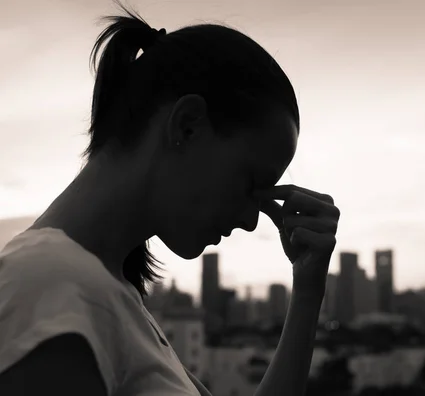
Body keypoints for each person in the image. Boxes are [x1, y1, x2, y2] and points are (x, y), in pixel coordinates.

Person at [0, 3, 340, 396]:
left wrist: (308, 286)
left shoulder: (104, 296)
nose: (251, 220)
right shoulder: (51, 290)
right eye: (250, 182)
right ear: (188, 125)